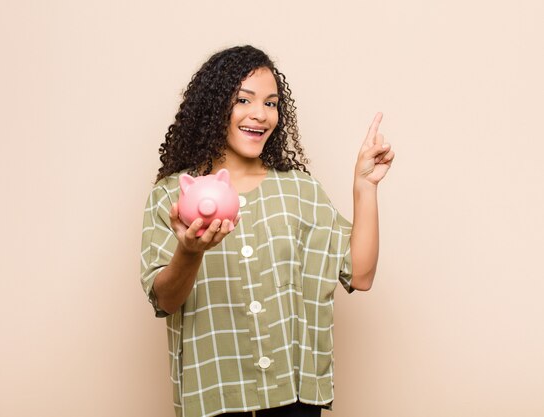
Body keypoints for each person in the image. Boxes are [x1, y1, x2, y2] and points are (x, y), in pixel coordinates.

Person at [140, 45, 395, 417]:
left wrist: (365, 187)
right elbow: (165, 300)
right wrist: (189, 252)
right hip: (217, 395)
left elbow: (361, 273)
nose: (260, 114)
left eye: (271, 103)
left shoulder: (300, 191)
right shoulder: (172, 195)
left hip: (294, 399)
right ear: (213, 107)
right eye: (244, 100)